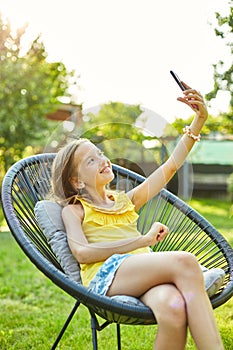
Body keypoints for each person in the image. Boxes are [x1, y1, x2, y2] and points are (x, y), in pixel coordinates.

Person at [51, 82, 225, 350]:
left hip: (141, 273)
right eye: (91, 161)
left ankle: (194, 281)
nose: (103, 160)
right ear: (76, 182)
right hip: (107, 277)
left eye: (100, 154)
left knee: (173, 307)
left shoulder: (126, 201)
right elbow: (83, 254)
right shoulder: (75, 210)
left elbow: (170, 167)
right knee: (185, 262)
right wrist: (140, 240)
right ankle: (197, 280)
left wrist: (199, 119)